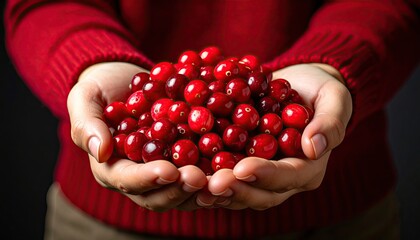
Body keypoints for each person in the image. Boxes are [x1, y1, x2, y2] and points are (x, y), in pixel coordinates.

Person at [4, 0, 420, 239]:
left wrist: (336, 65)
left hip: (337, 219)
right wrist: (86, 62)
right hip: (102, 223)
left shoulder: (239, 109)